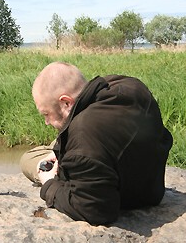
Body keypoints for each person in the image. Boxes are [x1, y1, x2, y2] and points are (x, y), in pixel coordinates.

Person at [20, 62, 173, 225]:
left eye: (46, 114)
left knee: (28, 158)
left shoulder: (82, 142)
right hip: (151, 188)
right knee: (58, 144)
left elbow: (95, 211)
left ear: (66, 102)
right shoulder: (129, 85)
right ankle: (56, 150)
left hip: (127, 193)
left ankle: (47, 162)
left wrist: (49, 183)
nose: (46, 122)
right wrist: (62, 150)